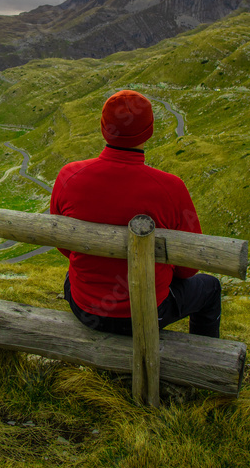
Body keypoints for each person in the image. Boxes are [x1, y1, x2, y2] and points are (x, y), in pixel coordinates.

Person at [49, 89, 221, 338]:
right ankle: (205, 362)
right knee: (211, 287)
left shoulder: (69, 176)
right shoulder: (171, 188)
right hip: (149, 311)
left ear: (103, 127)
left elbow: (64, 243)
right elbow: (188, 268)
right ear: (149, 130)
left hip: (84, 307)